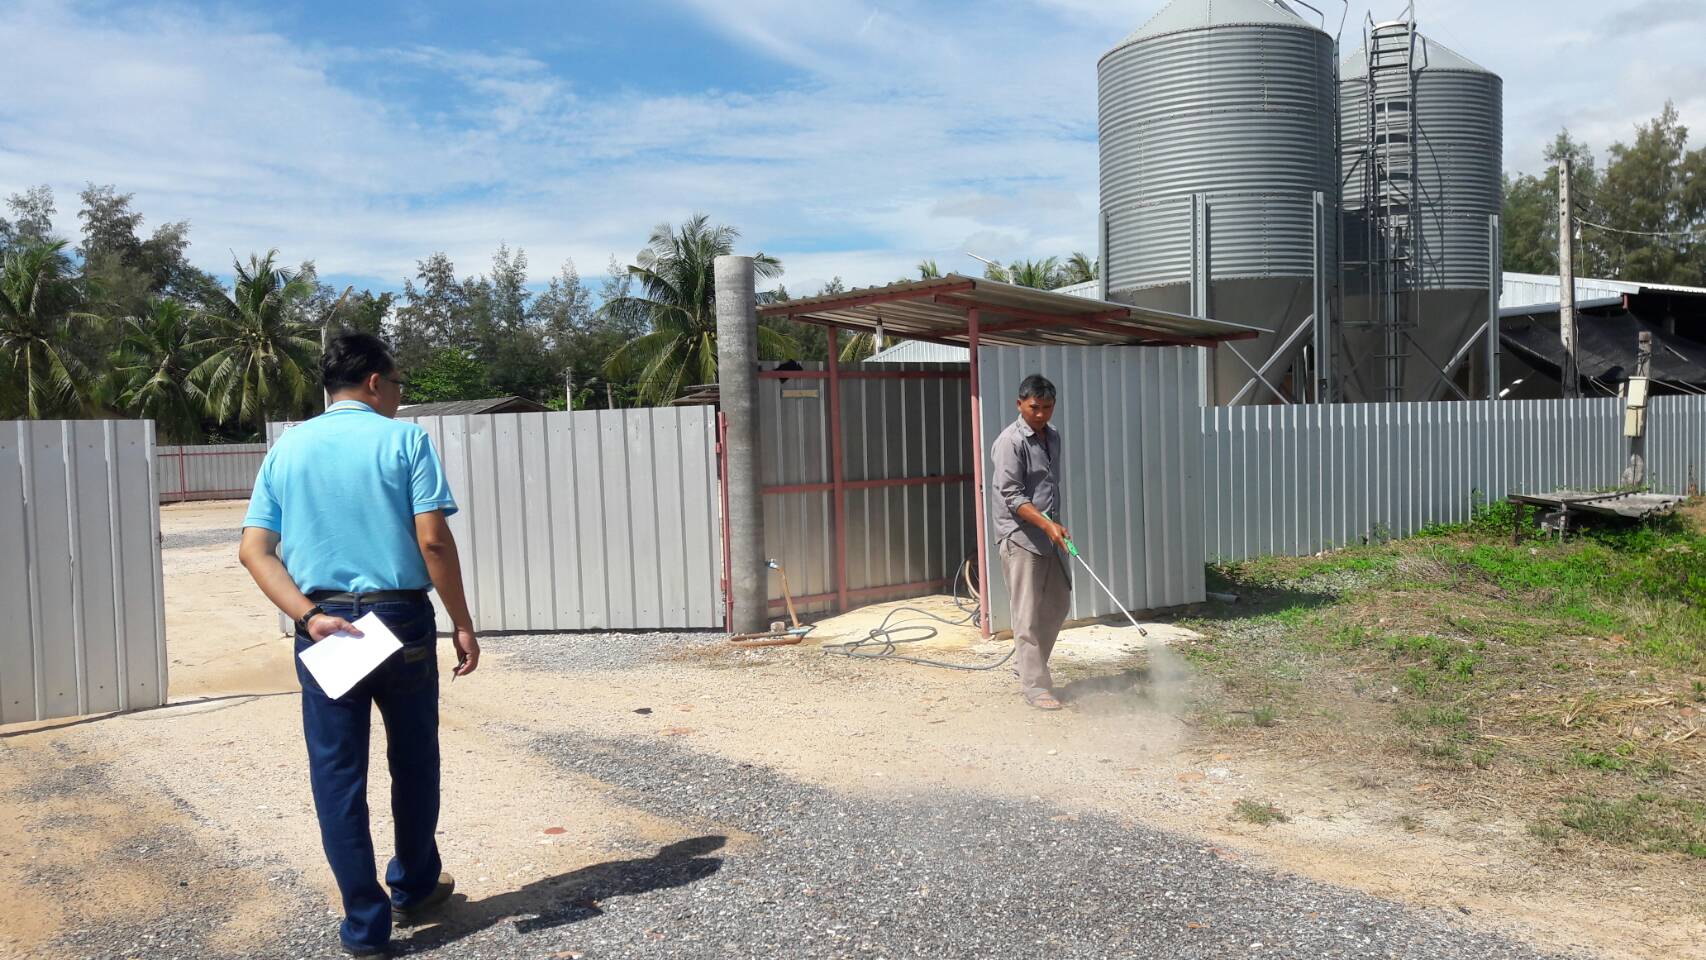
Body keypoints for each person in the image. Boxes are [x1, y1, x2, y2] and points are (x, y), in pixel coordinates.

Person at [238, 333, 480, 957]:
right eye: (397, 383)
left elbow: (254, 551)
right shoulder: (404, 441)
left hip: (325, 625)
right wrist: (461, 620)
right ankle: (415, 885)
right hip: (398, 618)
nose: (398, 395)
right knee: (414, 758)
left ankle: (365, 926)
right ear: (374, 382)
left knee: (337, 771)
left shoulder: (287, 448)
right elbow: (433, 541)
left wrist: (309, 616)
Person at [990, 374, 1072, 710]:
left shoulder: (1052, 436)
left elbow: (1048, 486)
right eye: (1034, 407)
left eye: (1047, 408)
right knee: (1026, 614)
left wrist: (1053, 525)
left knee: (1058, 603)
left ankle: (1025, 665)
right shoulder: (1010, 442)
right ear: (1020, 404)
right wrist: (1047, 524)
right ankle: (1036, 687)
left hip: (1048, 534)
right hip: (1020, 535)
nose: (1040, 414)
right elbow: (1012, 495)